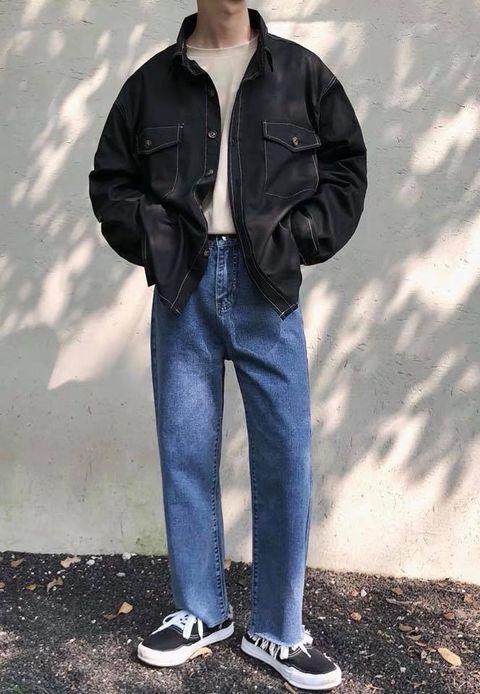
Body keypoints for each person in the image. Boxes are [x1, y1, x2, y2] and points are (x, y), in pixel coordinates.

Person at [88, 1, 367, 689]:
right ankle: (200, 611)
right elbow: (111, 182)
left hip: (267, 285)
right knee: (185, 451)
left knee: (285, 455)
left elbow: (347, 169)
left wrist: (298, 239)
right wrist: (158, 242)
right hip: (183, 284)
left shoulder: (301, 74)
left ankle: (278, 629)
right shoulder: (151, 83)